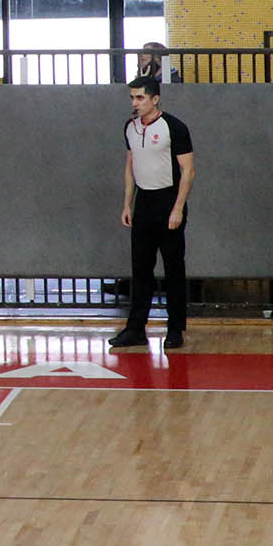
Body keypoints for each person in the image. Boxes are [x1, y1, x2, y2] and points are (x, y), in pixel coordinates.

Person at [109, 75, 196, 351]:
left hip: (168, 199)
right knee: (141, 268)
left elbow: (188, 171)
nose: (135, 103)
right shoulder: (131, 127)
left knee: (173, 268)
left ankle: (175, 329)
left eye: (140, 97)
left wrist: (178, 208)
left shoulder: (174, 127)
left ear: (154, 99)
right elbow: (130, 167)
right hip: (144, 202)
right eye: (132, 97)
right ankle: (135, 328)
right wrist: (127, 204)